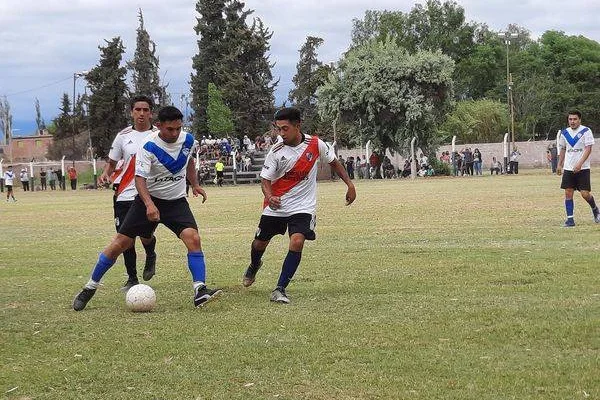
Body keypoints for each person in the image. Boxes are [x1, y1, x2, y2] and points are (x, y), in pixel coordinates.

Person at [73, 106, 222, 311]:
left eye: (178, 128)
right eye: (170, 129)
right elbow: (139, 179)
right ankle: (89, 287)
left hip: (176, 201)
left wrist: (195, 184)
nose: (175, 133)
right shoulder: (148, 146)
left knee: (193, 238)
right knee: (120, 243)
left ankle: (200, 290)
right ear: (159, 125)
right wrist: (150, 205)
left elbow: (189, 161)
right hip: (147, 200)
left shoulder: (188, 140)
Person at [241, 107, 356, 304]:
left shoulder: (315, 144)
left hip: (303, 206)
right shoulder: (276, 151)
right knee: (259, 243)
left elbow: (334, 163)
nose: (281, 134)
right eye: (278, 129)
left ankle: (280, 288)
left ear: (297, 126)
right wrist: (270, 197)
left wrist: (350, 184)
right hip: (276, 205)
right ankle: (254, 264)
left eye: (285, 129)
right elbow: (265, 180)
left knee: (297, 241)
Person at [97, 95, 160, 290]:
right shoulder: (123, 136)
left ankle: (150, 253)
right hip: (124, 194)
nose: (141, 113)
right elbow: (112, 163)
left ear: (151, 113)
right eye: (137, 110)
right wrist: (105, 174)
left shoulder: (159, 135)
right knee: (126, 238)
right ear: (132, 112)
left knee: (145, 234)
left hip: (149, 194)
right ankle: (132, 278)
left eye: (145, 110)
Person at [557, 110, 599, 227]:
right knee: (568, 192)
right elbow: (563, 149)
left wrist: (580, 164)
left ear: (579, 120)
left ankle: (595, 209)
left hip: (583, 168)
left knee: (585, 194)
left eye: (575, 119)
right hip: (569, 168)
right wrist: (559, 164)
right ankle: (570, 220)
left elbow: (588, 149)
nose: (572, 121)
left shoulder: (586, 131)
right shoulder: (565, 133)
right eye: (570, 119)